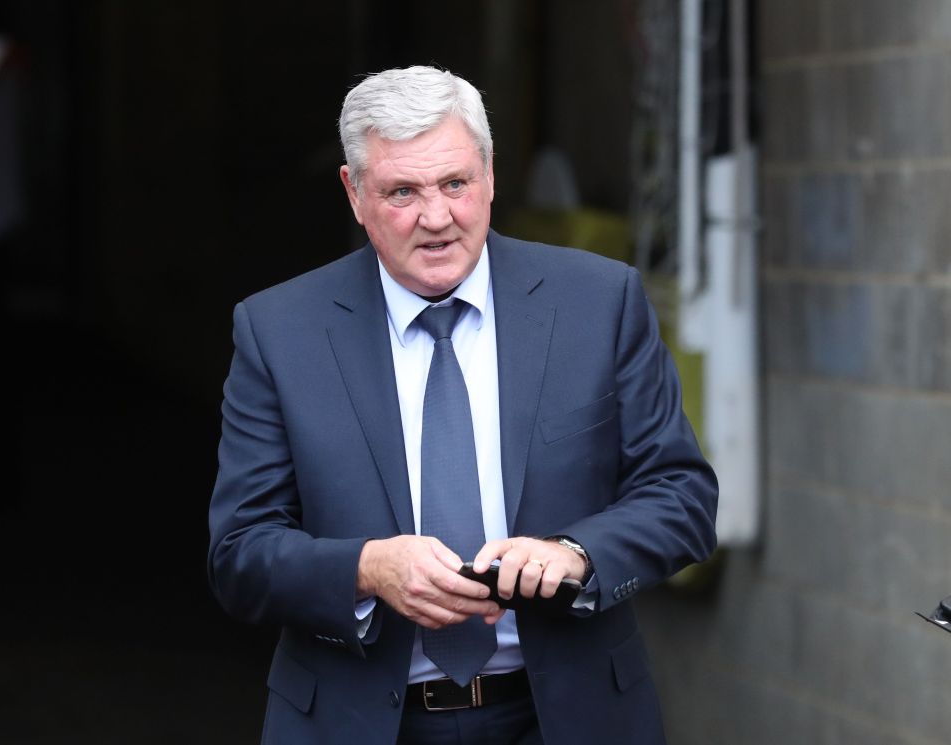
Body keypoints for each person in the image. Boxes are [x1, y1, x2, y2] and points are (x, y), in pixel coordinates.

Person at [208, 66, 717, 745]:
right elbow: (240, 552)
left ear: (491, 174)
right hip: (359, 723)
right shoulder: (279, 332)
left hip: (566, 714)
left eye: (455, 182)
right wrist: (366, 568)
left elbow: (682, 494)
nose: (437, 217)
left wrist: (576, 553)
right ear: (354, 193)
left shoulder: (599, 301)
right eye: (401, 192)